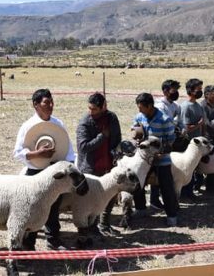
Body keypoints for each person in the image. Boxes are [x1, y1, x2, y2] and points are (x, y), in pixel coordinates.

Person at [13, 88, 75, 250]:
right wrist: (37, 153)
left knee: (54, 206)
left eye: (51, 102)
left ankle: (53, 240)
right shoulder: (28, 126)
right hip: (35, 173)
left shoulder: (58, 124)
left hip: (55, 172)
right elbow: (18, 153)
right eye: (46, 102)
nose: (50, 105)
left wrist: (69, 165)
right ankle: (28, 243)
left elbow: (68, 149)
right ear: (35, 105)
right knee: (33, 209)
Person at [75, 92, 121, 237]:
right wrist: (102, 136)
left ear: (103, 107)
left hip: (109, 165)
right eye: (89, 108)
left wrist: (116, 154)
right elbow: (83, 146)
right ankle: (90, 229)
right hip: (91, 168)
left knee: (110, 196)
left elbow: (117, 139)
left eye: (94, 109)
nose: (91, 111)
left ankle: (105, 224)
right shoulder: (85, 123)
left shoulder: (111, 118)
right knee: (91, 201)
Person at [131, 92, 179, 227]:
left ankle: (172, 216)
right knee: (137, 183)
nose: (139, 110)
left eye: (141, 107)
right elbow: (135, 131)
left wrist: (161, 153)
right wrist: (136, 137)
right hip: (144, 159)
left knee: (166, 187)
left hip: (161, 159)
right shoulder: (140, 116)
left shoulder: (164, 119)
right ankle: (140, 209)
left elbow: (171, 141)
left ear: (150, 105)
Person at [150, 79, 183, 210]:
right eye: (173, 90)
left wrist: (181, 127)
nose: (176, 93)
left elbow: (178, 121)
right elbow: (167, 122)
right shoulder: (160, 106)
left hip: (171, 140)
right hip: (160, 142)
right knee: (157, 171)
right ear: (165, 91)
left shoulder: (175, 106)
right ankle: (154, 199)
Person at [179, 78, 208, 199]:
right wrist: (198, 125)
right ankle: (186, 193)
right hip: (188, 144)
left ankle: (191, 190)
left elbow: (203, 124)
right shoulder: (186, 107)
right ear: (190, 90)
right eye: (198, 89)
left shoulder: (198, 106)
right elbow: (185, 128)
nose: (200, 91)